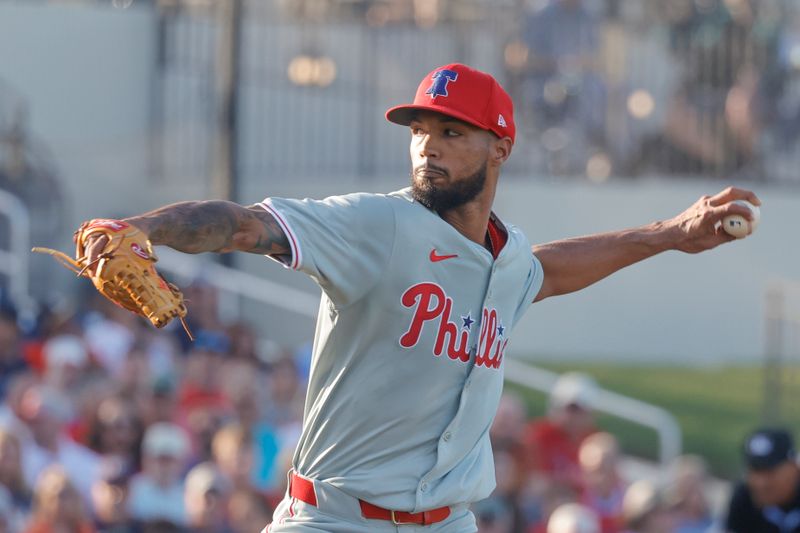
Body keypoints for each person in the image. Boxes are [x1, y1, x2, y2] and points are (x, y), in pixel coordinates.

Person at [80, 63, 759, 532]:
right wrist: (144, 228)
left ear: (500, 147)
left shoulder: (507, 257)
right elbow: (246, 223)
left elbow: (545, 271)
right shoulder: (377, 225)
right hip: (335, 516)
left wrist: (669, 234)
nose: (427, 148)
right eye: (418, 131)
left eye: (451, 133)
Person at [525, 372, 599, 491]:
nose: (573, 416)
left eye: (578, 411)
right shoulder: (538, 435)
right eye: (570, 409)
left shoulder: (595, 440)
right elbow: (535, 481)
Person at [725, 428, 800, 533]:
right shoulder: (744, 498)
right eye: (755, 471)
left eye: (770, 472)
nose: (761, 483)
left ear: (794, 468)